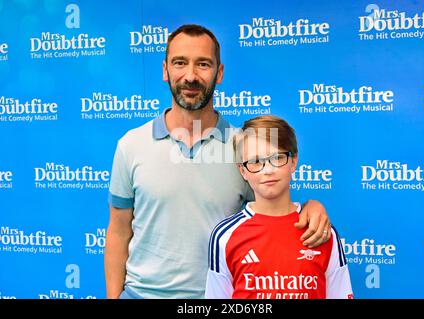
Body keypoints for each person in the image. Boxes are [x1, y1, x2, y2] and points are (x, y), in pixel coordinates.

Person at [105, 24, 332, 299]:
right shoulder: (131, 144)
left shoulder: (244, 146)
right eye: (180, 63)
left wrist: (311, 206)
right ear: (165, 70)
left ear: (219, 73)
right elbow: (118, 232)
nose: (190, 75)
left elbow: (273, 208)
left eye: (203, 64)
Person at [205, 115, 353, 299]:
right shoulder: (224, 236)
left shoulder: (321, 231)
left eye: (277, 157)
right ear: (242, 170)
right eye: (255, 162)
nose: (267, 170)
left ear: (293, 161)